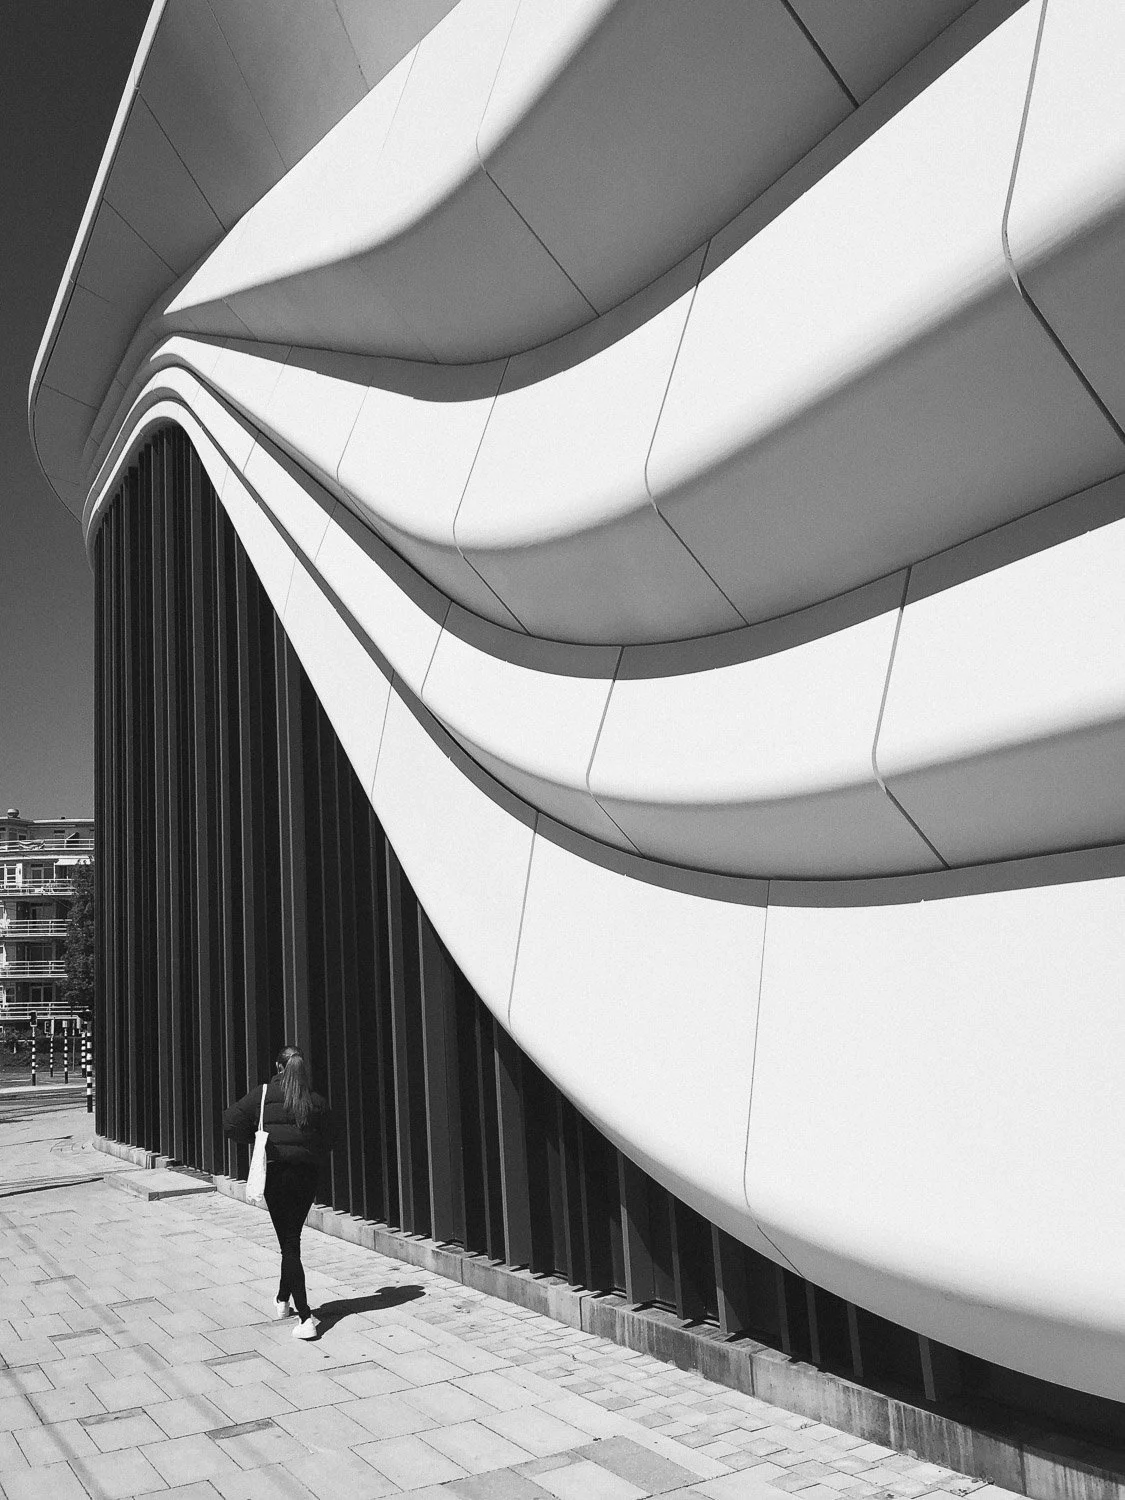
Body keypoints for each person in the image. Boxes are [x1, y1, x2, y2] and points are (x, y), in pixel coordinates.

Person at [222, 1046, 336, 1340]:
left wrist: (258, 1140)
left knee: (289, 1246)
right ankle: (283, 1299)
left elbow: (229, 1122)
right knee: (291, 1240)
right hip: (306, 1177)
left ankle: (306, 1317)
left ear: (278, 1066)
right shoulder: (314, 1100)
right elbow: (331, 1138)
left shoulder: (262, 1094)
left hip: (276, 1176)